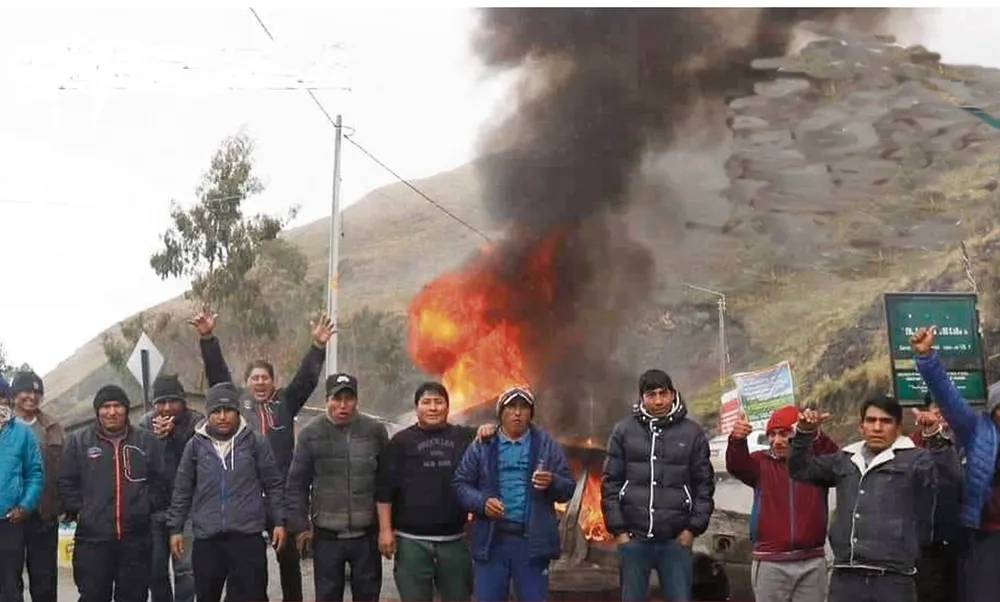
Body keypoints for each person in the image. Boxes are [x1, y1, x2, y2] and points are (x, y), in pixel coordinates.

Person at [190, 306, 333, 602]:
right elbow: (218, 375)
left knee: (289, 560)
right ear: (246, 383)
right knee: (247, 564)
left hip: (284, 495)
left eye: (265, 378)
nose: (260, 382)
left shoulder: (285, 404)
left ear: (273, 382)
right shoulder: (235, 408)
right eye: (254, 378)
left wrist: (318, 346)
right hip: (246, 496)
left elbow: (306, 379)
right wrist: (207, 337)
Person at [788, 397, 957, 602]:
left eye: (885, 421)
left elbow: (948, 479)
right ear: (861, 427)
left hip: (894, 578)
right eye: (871, 420)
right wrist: (804, 433)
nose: (877, 427)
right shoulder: (845, 458)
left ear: (898, 428)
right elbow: (800, 470)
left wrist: (934, 437)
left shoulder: (916, 459)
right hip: (845, 576)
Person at [165, 382, 287, 602]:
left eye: (228, 410)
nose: (222, 416)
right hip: (207, 539)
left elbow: (273, 484)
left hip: (247, 537)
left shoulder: (255, 442)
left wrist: (279, 521)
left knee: (253, 596)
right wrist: (175, 529)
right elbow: (182, 489)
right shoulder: (195, 446)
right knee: (206, 596)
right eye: (216, 411)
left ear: (237, 411)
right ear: (208, 414)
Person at [600, 369, 715, 602]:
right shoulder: (624, 431)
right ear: (641, 397)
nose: (659, 400)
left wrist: (692, 530)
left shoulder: (692, 433)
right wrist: (620, 532)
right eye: (651, 394)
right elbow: (610, 484)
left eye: (664, 393)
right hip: (634, 542)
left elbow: (704, 485)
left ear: (674, 394)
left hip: (675, 542)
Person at [452, 386, 575, 602]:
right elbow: (460, 484)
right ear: (501, 412)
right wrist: (482, 503)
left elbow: (567, 489)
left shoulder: (547, 445)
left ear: (531, 413)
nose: (517, 413)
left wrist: (552, 482)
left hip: (532, 543)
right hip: (491, 542)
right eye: (511, 407)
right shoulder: (484, 444)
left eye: (524, 408)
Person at [911, 326, 1000, 602]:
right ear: (994, 409)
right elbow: (948, 397)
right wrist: (926, 358)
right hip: (986, 536)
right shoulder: (977, 429)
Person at [58, 385, 170, 602]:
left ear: (126, 409)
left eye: (117, 406)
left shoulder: (147, 441)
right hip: (93, 540)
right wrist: (81, 511)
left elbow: (160, 482)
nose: (112, 412)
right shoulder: (78, 441)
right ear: (97, 411)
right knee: (92, 595)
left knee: (133, 596)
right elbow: (66, 481)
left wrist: (145, 507)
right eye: (106, 406)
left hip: (136, 539)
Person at [286, 373, 389, 602]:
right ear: (326, 400)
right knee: (327, 596)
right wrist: (301, 526)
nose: (343, 405)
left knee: (368, 595)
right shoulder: (311, 434)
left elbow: (387, 481)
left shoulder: (375, 431)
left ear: (356, 400)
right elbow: (297, 484)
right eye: (337, 398)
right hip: (327, 537)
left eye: (348, 398)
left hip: (367, 536)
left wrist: (387, 528)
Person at [375, 382, 480, 602]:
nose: (433, 408)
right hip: (411, 542)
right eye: (426, 402)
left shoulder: (464, 437)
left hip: (454, 540)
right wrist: (385, 530)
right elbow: (384, 489)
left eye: (438, 402)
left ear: (447, 407)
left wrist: (488, 429)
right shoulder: (400, 442)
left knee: (459, 597)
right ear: (417, 408)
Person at [725, 405, 838, 602]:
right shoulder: (761, 462)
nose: (777, 441)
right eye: (772, 434)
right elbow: (736, 465)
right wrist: (737, 439)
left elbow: (836, 463)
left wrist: (816, 434)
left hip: (812, 560)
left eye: (785, 433)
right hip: (770, 561)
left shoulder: (816, 464)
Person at [139, 374, 202, 602]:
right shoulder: (144, 424)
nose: (166, 408)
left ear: (183, 401)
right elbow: (139, 465)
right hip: (154, 508)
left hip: (188, 508)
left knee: (186, 571)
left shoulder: (197, 422)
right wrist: (155, 440)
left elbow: (198, 458)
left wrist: (173, 435)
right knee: (155, 571)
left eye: (172, 401)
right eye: (161, 402)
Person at [9, 371, 64, 602]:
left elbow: (65, 468)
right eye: (25, 391)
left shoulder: (53, 427)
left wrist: (65, 505)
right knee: (9, 583)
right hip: (8, 517)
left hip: (44, 515)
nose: (31, 397)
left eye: (36, 392)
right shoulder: (3, 424)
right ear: (13, 395)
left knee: (44, 584)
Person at [908, 399, 963, 602]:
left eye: (946, 406)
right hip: (926, 543)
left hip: (966, 540)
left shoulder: (969, 442)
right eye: (935, 408)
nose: (940, 412)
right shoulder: (913, 443)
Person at [0, 375, 44, 602]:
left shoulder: (22, 433)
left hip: (9, 522)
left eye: (2, 400)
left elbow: (35, 474)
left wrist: (24, 506)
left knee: (9, 586)